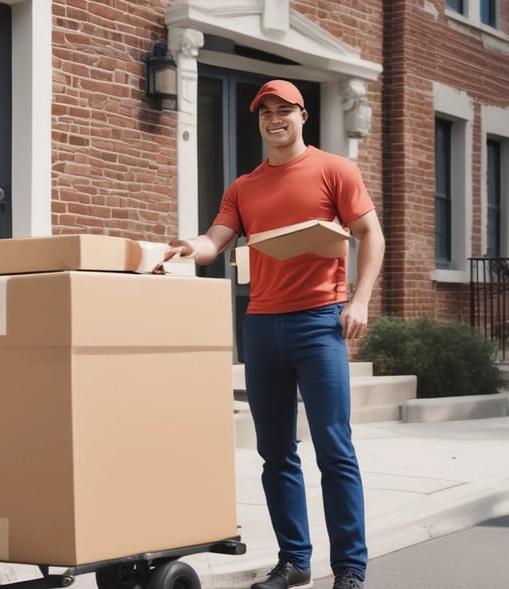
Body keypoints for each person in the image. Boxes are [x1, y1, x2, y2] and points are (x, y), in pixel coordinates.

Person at [157, 80, 385, 589]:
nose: (274, 118)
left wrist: (361, 299)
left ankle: (349, 568)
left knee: (334, 449)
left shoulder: (335, 170)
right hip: (261, 326)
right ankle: (294, 562)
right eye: (265, 112)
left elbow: (371, 233)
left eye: (284, 110)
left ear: (303, 115)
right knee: (276, 452)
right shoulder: (244, 187)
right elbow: (216, 241)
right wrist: (187, 248)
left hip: (320, 322)